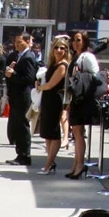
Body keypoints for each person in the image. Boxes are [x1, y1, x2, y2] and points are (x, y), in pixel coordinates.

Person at [66, 30, 101, 179]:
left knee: (78, 133)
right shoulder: (76, 56)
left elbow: (96, 76)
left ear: (85, 42)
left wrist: (79, 74)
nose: (75, 42)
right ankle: (76, 164)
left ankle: (80, 165)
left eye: (78, 40)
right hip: (75, 99)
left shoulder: (87, 57)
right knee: (75, 133)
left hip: (83, 99)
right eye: (74, 40)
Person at [35, 38, 70, 174]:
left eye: (62, 48)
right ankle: (50, 163)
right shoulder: (53, 64)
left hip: (55, 99)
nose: (59, 50)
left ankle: (48, 165)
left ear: (66, 50)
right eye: (56, 48)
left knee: (54, 133)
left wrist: (40, 88)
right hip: (48, 99)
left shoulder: (62, 65)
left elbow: (51, 84)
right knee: (47, 133)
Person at [4, 31, 38, 166]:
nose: (16, 45)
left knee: (23, 126)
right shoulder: (18, 56)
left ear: (27, 41)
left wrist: (14, 74)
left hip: (23, 96)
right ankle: (20, 153)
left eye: (20, 42)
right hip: (16, 96)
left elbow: (29, 78)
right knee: (17, 125)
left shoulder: (28, 57)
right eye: (15, 42)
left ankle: (25, 154)